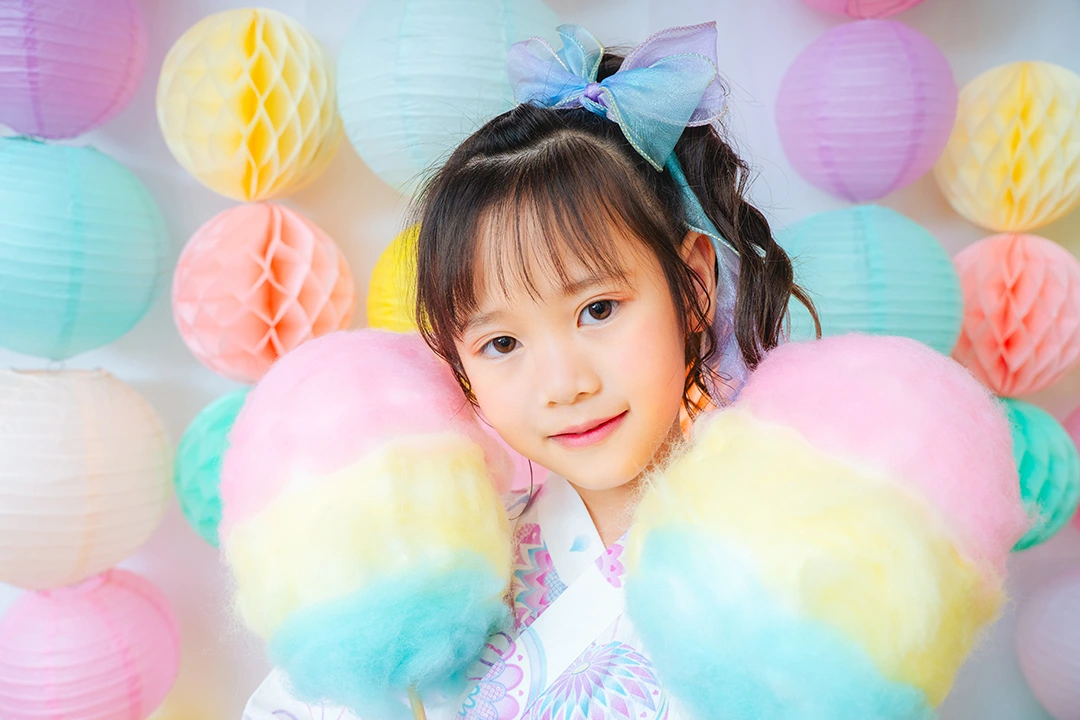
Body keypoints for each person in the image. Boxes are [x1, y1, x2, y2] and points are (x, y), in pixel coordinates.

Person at [242, 21, 816, 720]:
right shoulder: (438, 568)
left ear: (693, 284)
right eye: (503, 344)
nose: (564, 385)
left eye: (598, 309)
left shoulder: (782, 560)